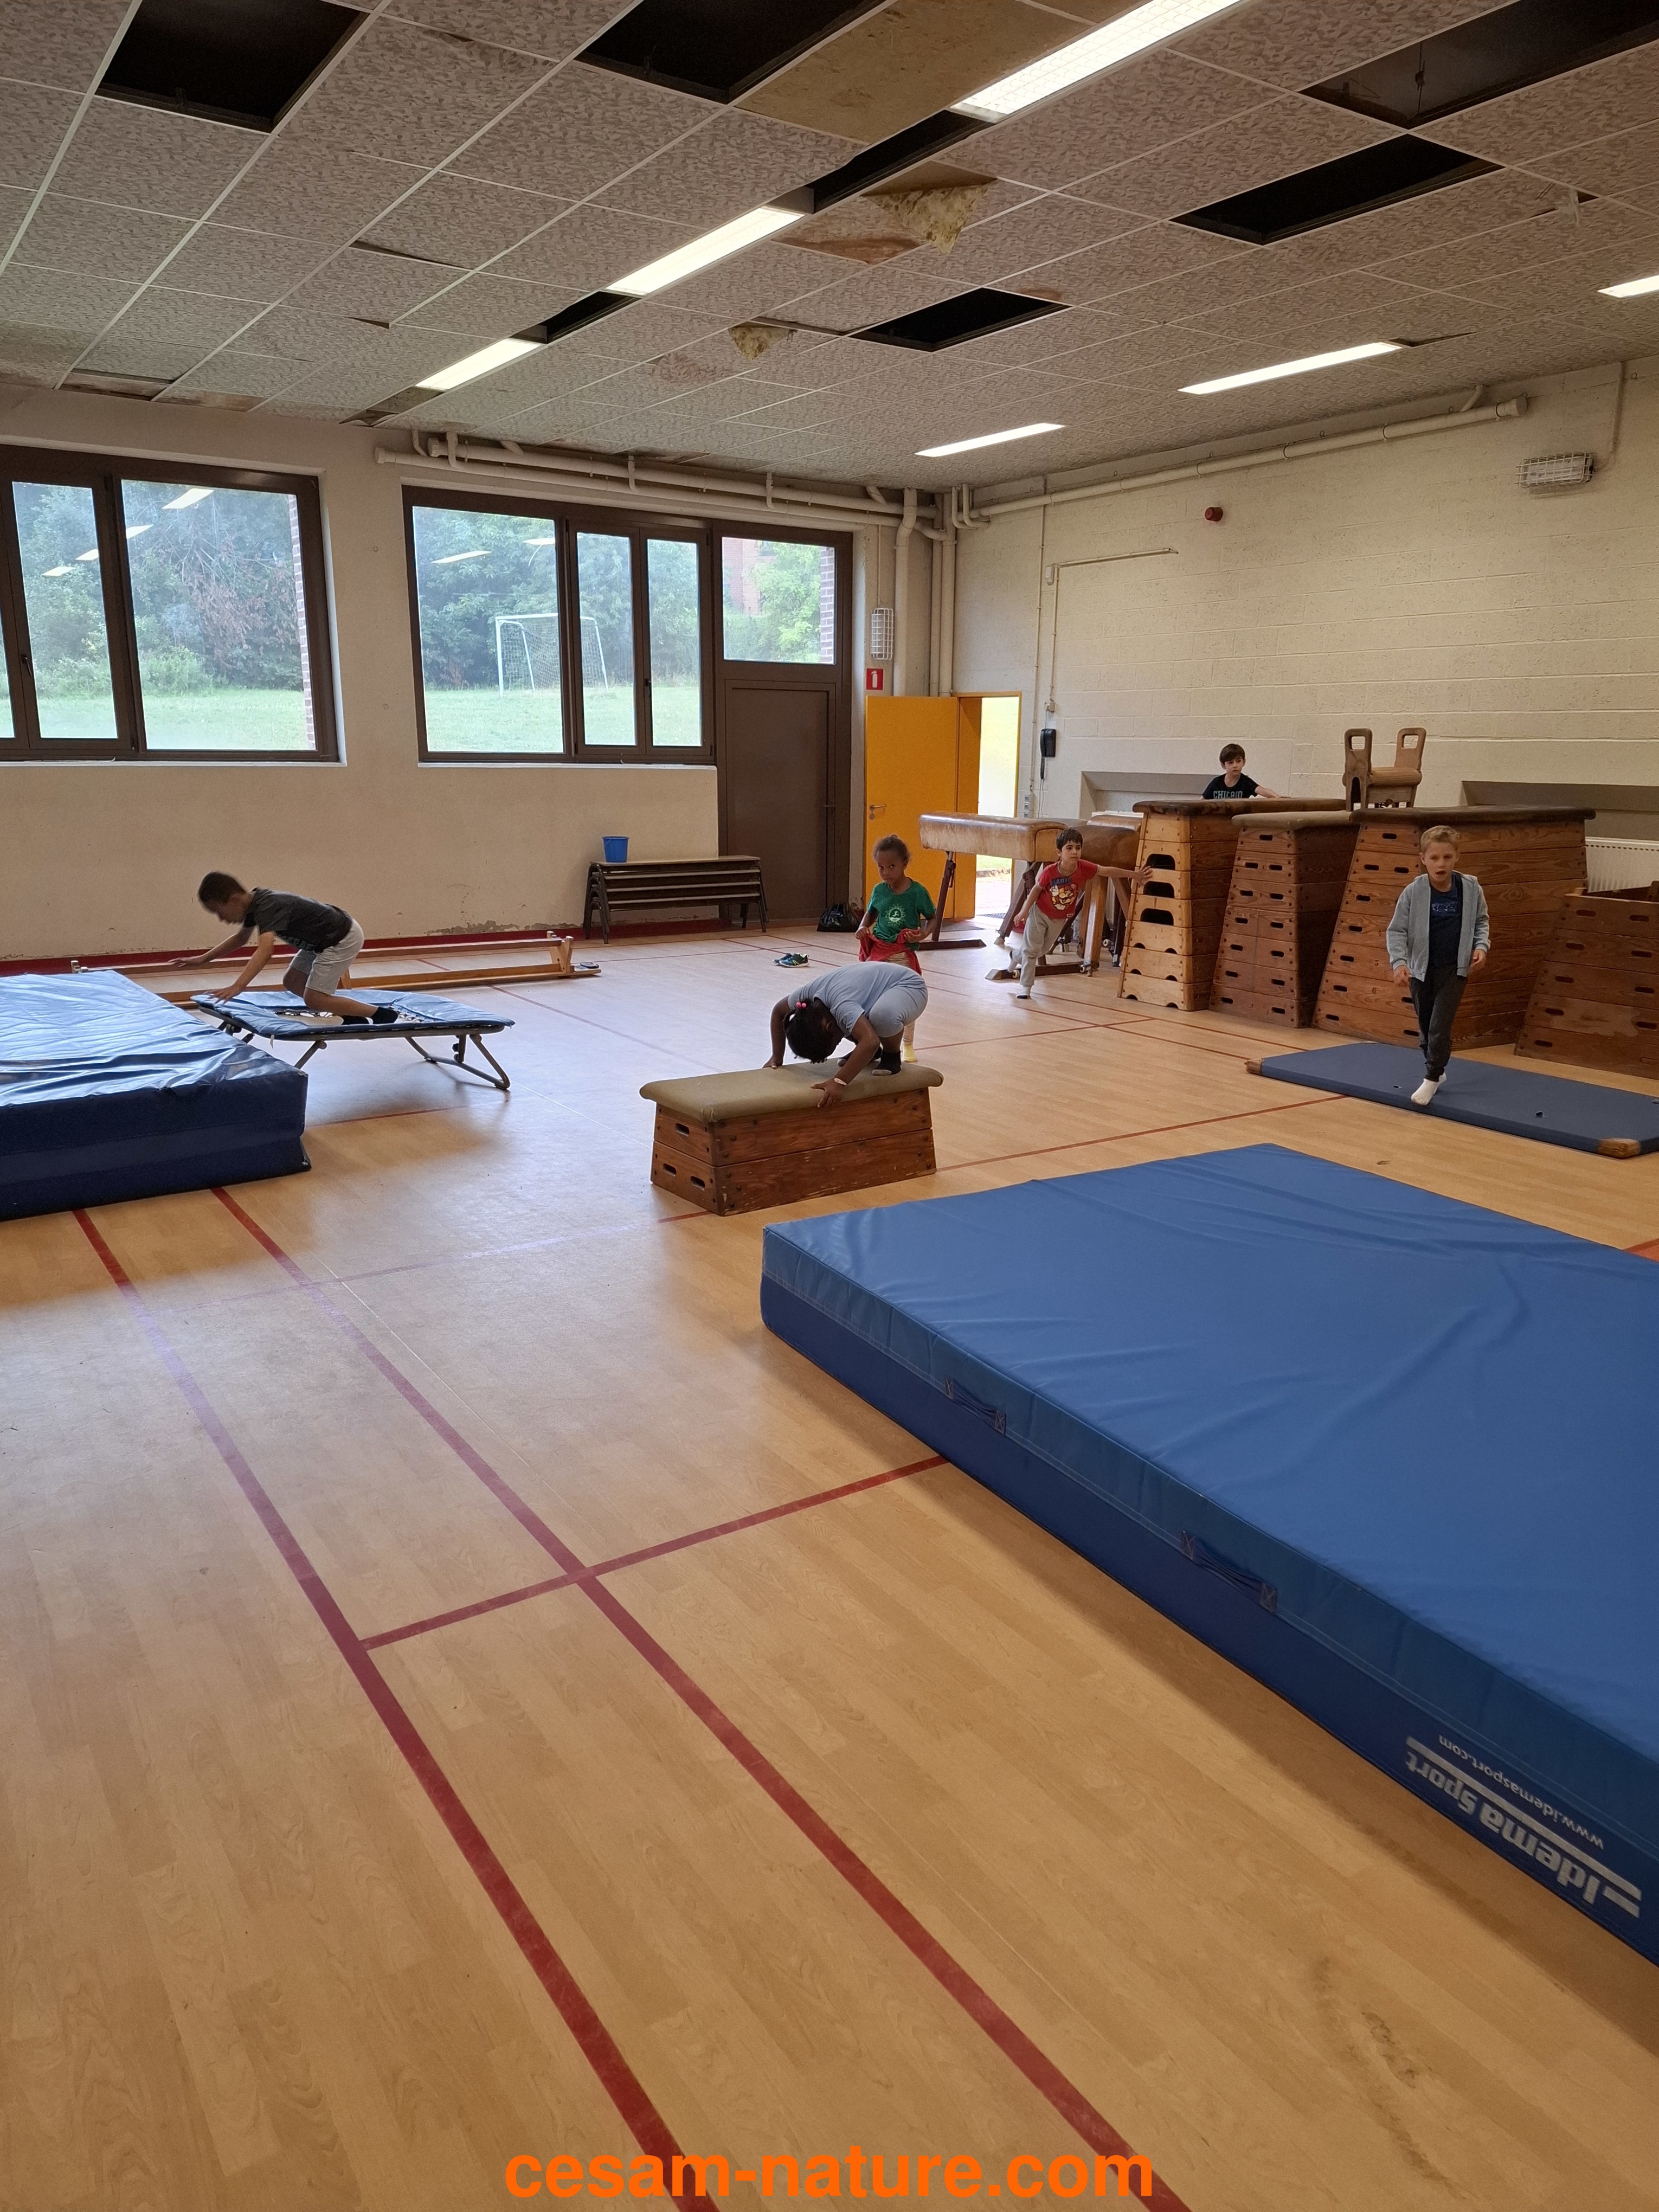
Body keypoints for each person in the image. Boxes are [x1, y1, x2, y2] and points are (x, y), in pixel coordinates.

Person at [173, 872, 395, 1023]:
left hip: (341, 937)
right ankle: (350, 1014)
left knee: (314, 999)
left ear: (234, 900)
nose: (222, 919)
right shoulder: (254, 906)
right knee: (293, 982)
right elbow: (240, 939)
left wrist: (238, 986)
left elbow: (265, 951)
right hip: (321, 940)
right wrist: (203, 959)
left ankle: (381, 1015)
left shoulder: (268, 906)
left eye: (219, 912)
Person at [1386, 825, 1490, 1106]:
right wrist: (1399, 963)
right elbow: (1396, 931)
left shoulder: (1470, 889)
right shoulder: (1414, 892)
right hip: (1421, 969)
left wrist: (1481, 946)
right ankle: (1437, 1067)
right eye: (1434, 858)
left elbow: (1481, 921)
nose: (1441, 864)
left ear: (1457, 857)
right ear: (1423, 859)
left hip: (1454, 970)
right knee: (1425, 1025)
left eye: (1447, 857)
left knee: (1440, 1025)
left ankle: (1432, 1076)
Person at [1006, 827, 1149, 999]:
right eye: (1069, 848)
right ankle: (1026, 988)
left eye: (1078, 848)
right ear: (1059, 853)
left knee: (1040, 950)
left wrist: (1134, 875)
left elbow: (1107, 871)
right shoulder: (1050, 871)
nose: (1075, 852)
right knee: (1031, 951)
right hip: (1040, 914)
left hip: (1059, 919)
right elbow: (1037, 889)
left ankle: (1015, 956)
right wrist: (1024, 910)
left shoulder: (1084, 868)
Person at [767, 961, 927, 1107]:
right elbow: (778, 1012)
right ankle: (871, 1054)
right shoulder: (808, 1000)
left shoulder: (841, 1005)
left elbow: (871, 1042)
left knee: (882, 1017)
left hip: (910, 986)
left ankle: (891, 1055)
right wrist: (777, 1056)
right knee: (853, 1023)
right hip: (880, 988)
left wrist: (839, 1081)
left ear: (829, 1027)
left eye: (836, 1043)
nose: (840, 1042)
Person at [857, 833, 935, 1059]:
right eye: (881, 867)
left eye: (892, 866)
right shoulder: (879, 890)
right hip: (879, 951)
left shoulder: (917, 892)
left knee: (905, 999)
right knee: (870, 998)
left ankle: (907, 1044)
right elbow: (871, 914)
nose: (886, 872)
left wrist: (923, 934)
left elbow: (932, 917)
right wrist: (862, 927)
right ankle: (872, 1044)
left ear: (904, 864)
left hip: (902, 952)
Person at [1202, 744, 1278, 800]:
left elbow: (1262, 790)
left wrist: (1277, 796)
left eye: (1238, 761)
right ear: (1223, 765)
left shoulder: (1246, 782)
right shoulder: (1216, 783)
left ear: (1244, 762)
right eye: (1230, 763)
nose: (1235, 765)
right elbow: (1202, 801)